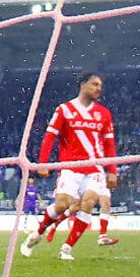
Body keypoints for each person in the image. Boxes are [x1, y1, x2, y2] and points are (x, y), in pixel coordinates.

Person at [21, 71, 117, 261]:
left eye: (100, 85)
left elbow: (109, 144)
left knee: (89, 201)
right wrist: (43, 162)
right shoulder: (64, 110)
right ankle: (38, 233)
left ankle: (67, 248)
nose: (99, 88)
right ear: (82, 85)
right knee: (63, 204)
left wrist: (112, 170)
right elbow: (50, 137)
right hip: (70, 166)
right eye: (94, 84)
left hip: (95, 167)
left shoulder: (104, 114)